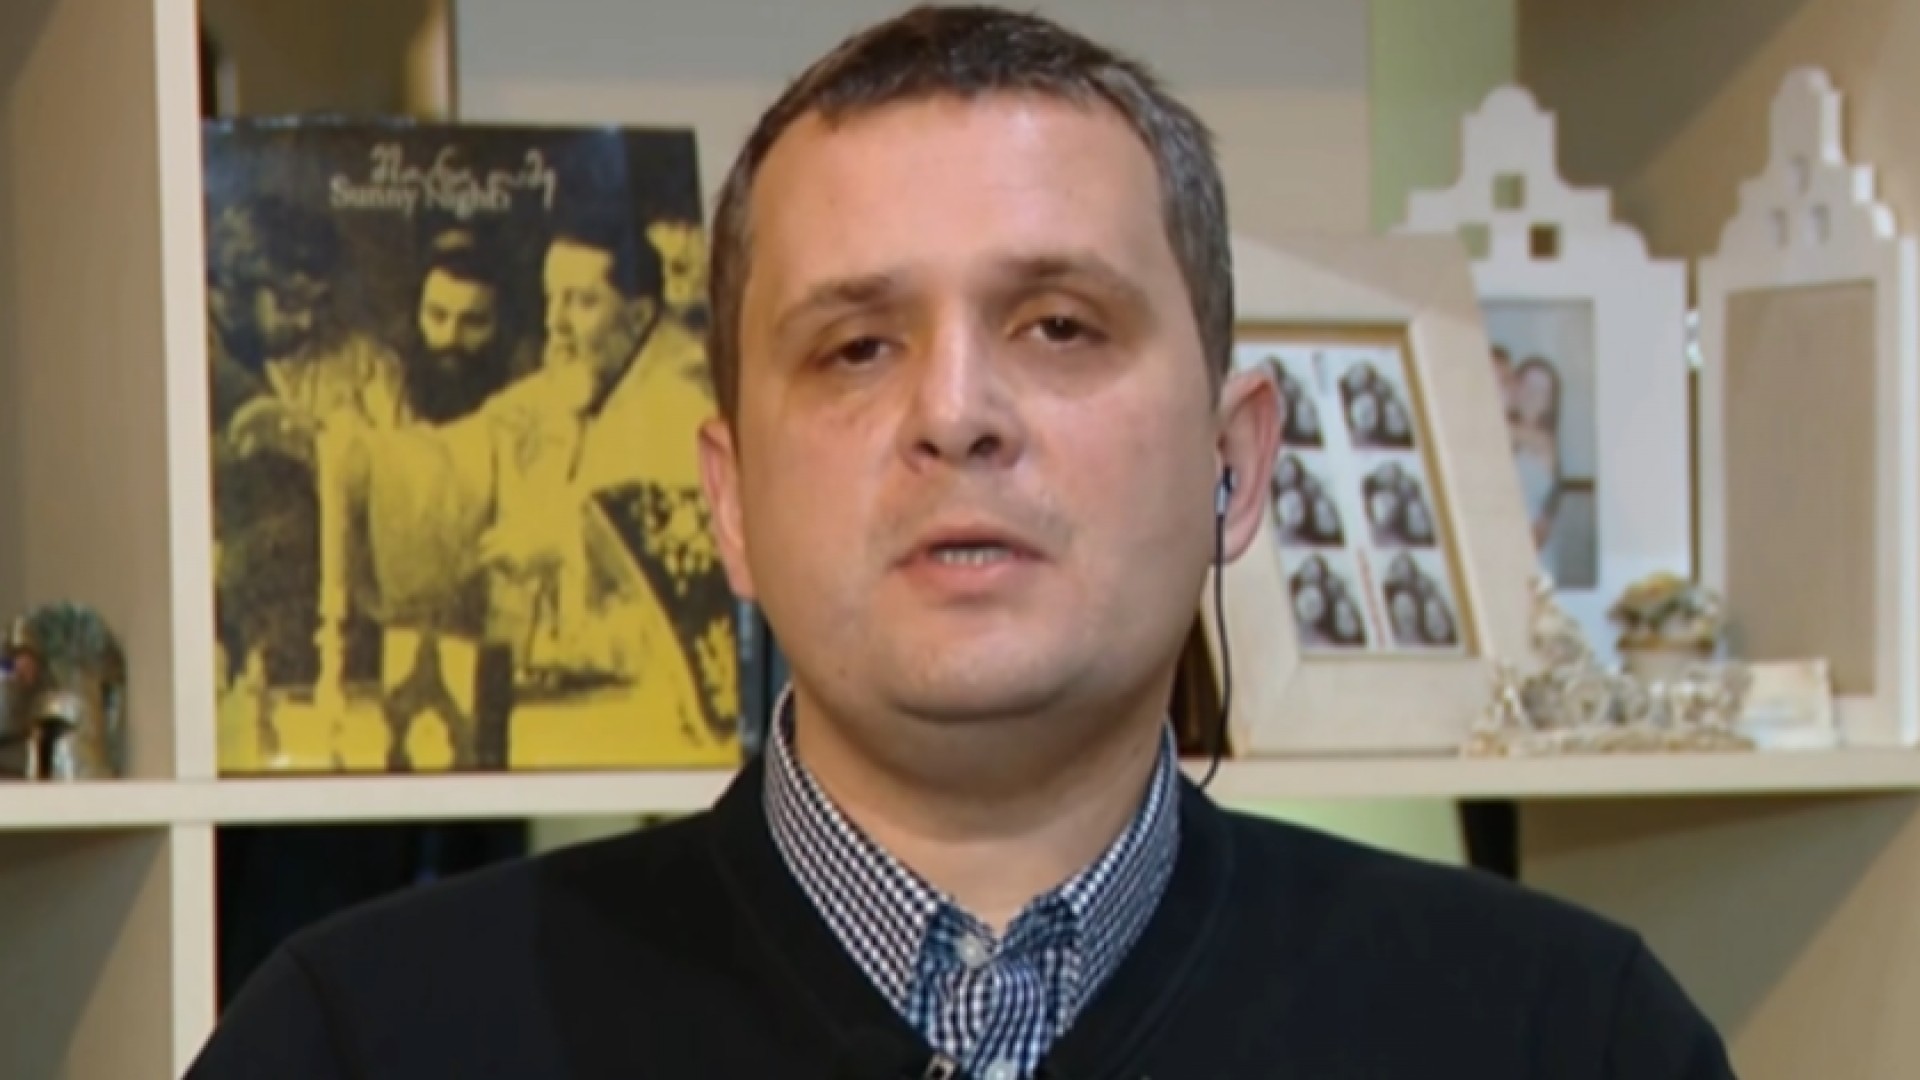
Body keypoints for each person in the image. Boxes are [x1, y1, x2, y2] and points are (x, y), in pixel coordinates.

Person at [185, 6, 1738, 1079]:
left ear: (1236, 461)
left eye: (1059, 326)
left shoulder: (1565, 1038)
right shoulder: (363, 1042)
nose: (955, 414)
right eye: (856, 347)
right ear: (729, 501)